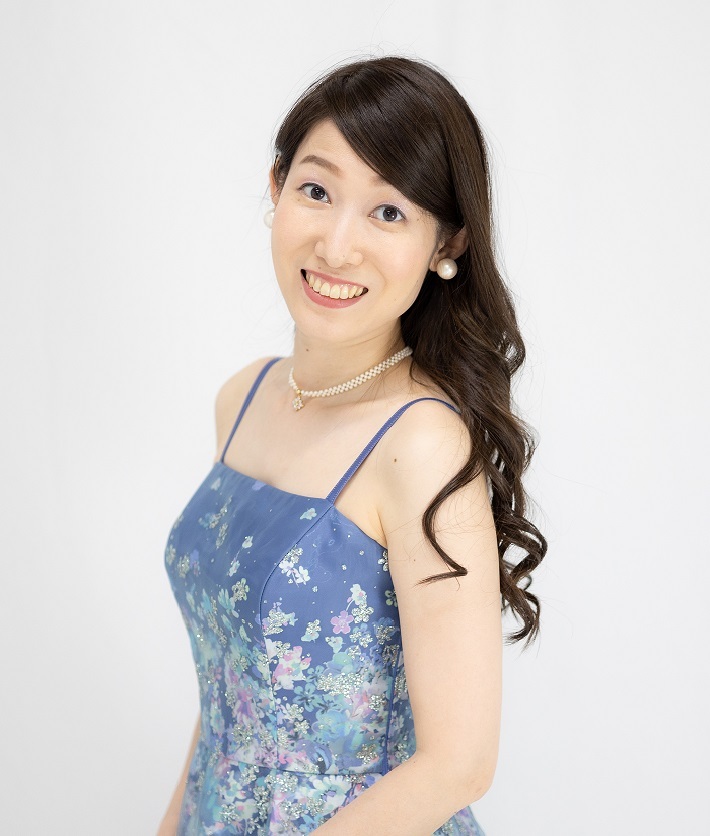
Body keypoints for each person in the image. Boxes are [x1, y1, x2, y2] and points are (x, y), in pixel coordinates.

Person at [159, 55, 546, 835]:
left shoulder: (423, 443)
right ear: (276, 189)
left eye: (389, 212)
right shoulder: (242, 398)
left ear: (446, 244)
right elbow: (230, 693)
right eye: (317, 190)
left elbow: (459, 762)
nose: (337, 247)